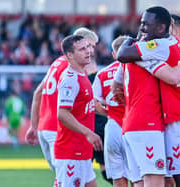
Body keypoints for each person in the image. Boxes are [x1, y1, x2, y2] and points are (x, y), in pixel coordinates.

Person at [116, 6, 180, 187]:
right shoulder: (176, 45)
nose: (141, 28)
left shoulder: (156, 48)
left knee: (157, 180)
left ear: (161, 28)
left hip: (170, 121)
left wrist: (129, 41)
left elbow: (122, 56)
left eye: (145, 24)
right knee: (167, 179)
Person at [25, 27, 99, 179]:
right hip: (58, 130)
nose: (90, 51)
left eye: (91, 47)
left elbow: (38, 92)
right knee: (67, 178)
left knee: (74, 178)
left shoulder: (58, 63)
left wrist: (34, 126)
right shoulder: (72, 69)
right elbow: (65, 111)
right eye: (87, 46)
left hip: (44, 127)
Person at [55, 35, 103, 187]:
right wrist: (89, 133)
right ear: (70, 55)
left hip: (82, 150)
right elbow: (62, 113)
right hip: (71, 151)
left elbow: (86, 107)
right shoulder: (70, 79)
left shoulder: (82, 74)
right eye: (82, 49)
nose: (88, 51)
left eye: (88, 47)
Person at [74, 28, 110, 184]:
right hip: (83, 129)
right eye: (90, 45)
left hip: (99, 126)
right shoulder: (72, 72)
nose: (92, 49)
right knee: (80, 172)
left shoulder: (94, 71)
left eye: (94, 46)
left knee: (108, 172)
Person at [93, 35, 129, 187]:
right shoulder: (137, 70)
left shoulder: (102, 73)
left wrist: (110, 113)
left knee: (117, 176)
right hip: (134, 126)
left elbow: (94, 103)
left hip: (113, 127)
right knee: (138, 175)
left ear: (114, 55)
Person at [4, 80, 25, 150]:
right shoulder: (20, 100)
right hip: (18, 118)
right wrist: (21, 117)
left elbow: (6, 110)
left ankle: (15, 143)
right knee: (15, 131)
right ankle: (16, 143)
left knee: (9, 130)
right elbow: (23, 110)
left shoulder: (9, 100)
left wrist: (5, 117)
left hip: (12, 118)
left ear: (11, 94)